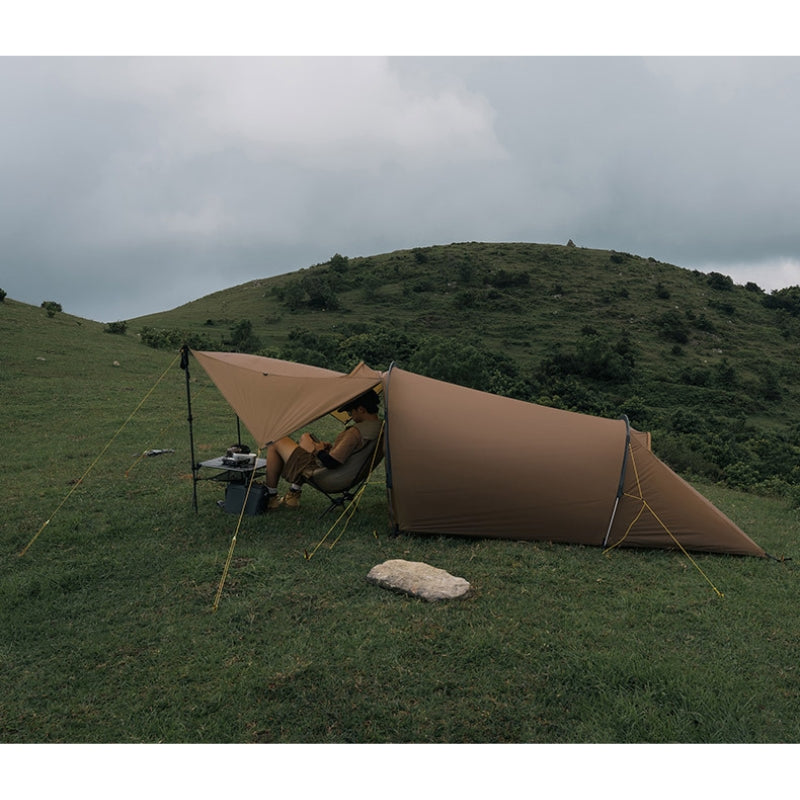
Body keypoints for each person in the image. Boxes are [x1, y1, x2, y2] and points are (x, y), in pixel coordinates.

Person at [264, 388, 382, 509]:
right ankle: (293, 495)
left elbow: (331, 462)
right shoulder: (379, 428)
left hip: (328, 478)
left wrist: (319, 451)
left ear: (361, 409)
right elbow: (347, 455)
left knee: (275, 441)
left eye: (350, 412)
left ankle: (271, 497)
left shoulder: (355, 433)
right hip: (344, 476)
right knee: (306, 438)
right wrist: (329, 449)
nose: (350, 416)